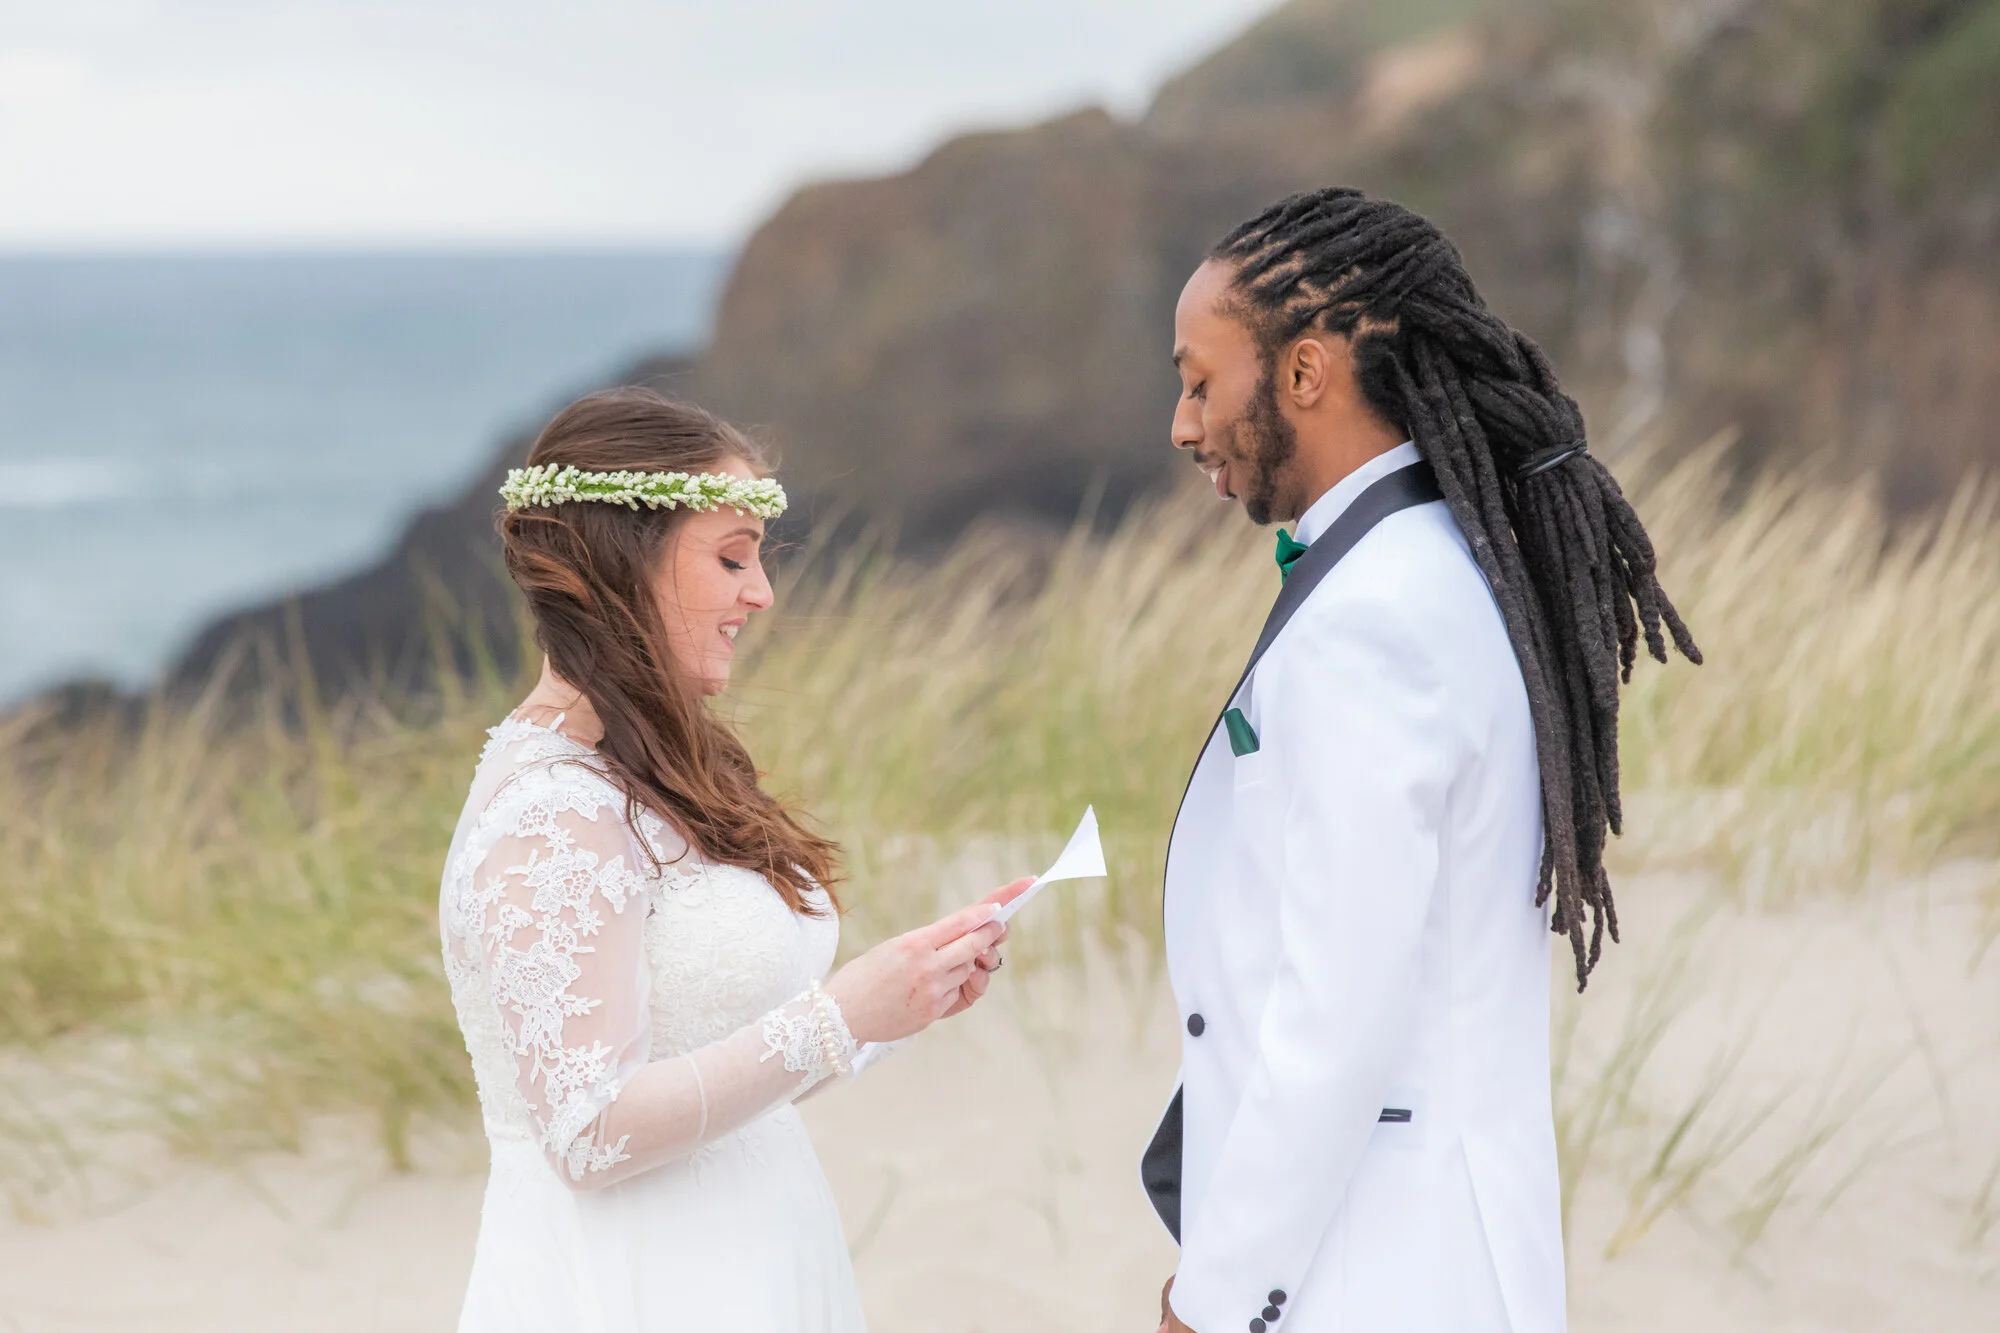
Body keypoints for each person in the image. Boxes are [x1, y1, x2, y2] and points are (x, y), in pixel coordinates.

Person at [1143, 188, 1701, 1333]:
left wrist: (1213, 1300)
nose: (1181, 424)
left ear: (1304, 373)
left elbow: (1337, 1013)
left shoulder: (1374, 616)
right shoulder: (1440, 564)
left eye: (1200, 381)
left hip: (1373, 1271)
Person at [438, 386, 1026, 1332]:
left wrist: (895, 1007)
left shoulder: (651, 765)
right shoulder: (551, 809)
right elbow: (587, 1132)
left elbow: (719, 1058)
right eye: (730, 559)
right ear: (622, 562)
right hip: (634, 1285)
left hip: (753, 1257)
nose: (762, 593)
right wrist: (838, 1015)